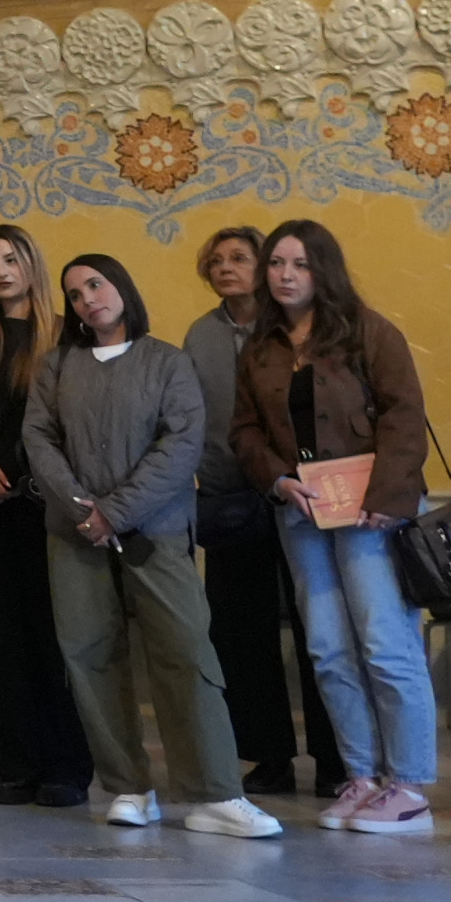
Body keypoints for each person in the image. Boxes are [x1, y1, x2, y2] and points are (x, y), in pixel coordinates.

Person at [22, 252, 279, 839]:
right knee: (90, 655)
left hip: (156, 531)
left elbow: (181, 444)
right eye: (75, 293)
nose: (88, 299)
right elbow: (38, 439)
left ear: (122, 286)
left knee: (186, 653)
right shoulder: (57, 366)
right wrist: (83, 510)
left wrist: (115, 512)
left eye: (96, 284)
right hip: (75, 535)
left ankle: (215, 793)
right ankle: (128, 787)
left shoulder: (168, 362)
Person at [231, 219, 438, 835]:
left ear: (324, 270)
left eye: (300, 264)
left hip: (370, 511)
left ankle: (409, 785)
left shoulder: (369, 331)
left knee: (385, 643)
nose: (286, 275)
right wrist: (277, 478)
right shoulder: (260, 345)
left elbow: (405, 415)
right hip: (302, 512)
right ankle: (362, 777)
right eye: (276, 263)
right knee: (326, 649)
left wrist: (387, 496)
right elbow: (244, 430)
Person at [180, 225, 331, 796]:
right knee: (242, 635)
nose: (225, 267)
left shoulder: (291, 325)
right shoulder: (200, 335)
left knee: (319, 626)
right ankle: (268, 755)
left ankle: (334, 757)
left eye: (239, 257)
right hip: (229, 496)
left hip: (301, 495)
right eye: (216, 260)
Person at [0, 225, 90, 807]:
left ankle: (66, 766)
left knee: (51, 633)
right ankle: (15, 764)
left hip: (42, 501)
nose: (1, 272)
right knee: (2, 635)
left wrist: (17, 474)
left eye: (11, 260)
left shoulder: (64, 335)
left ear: (32, 264)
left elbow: (68, 423)